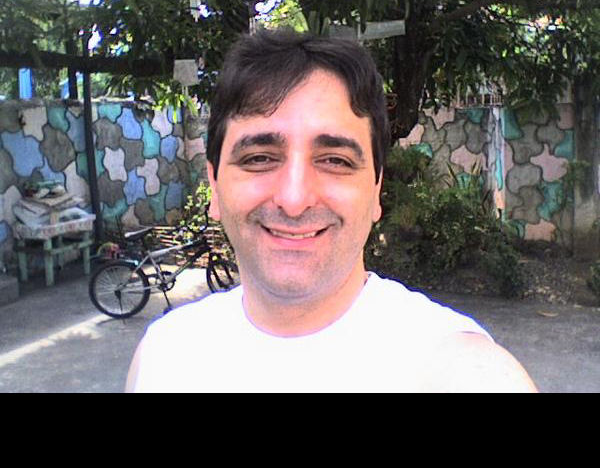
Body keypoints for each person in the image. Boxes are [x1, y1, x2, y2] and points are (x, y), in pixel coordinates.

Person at [126, 29, 538, 393]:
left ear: (376, 189)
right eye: (259, 158)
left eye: (335, 161)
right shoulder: (162, 358)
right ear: (214, 185)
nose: (294, 199)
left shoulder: (466, 372)